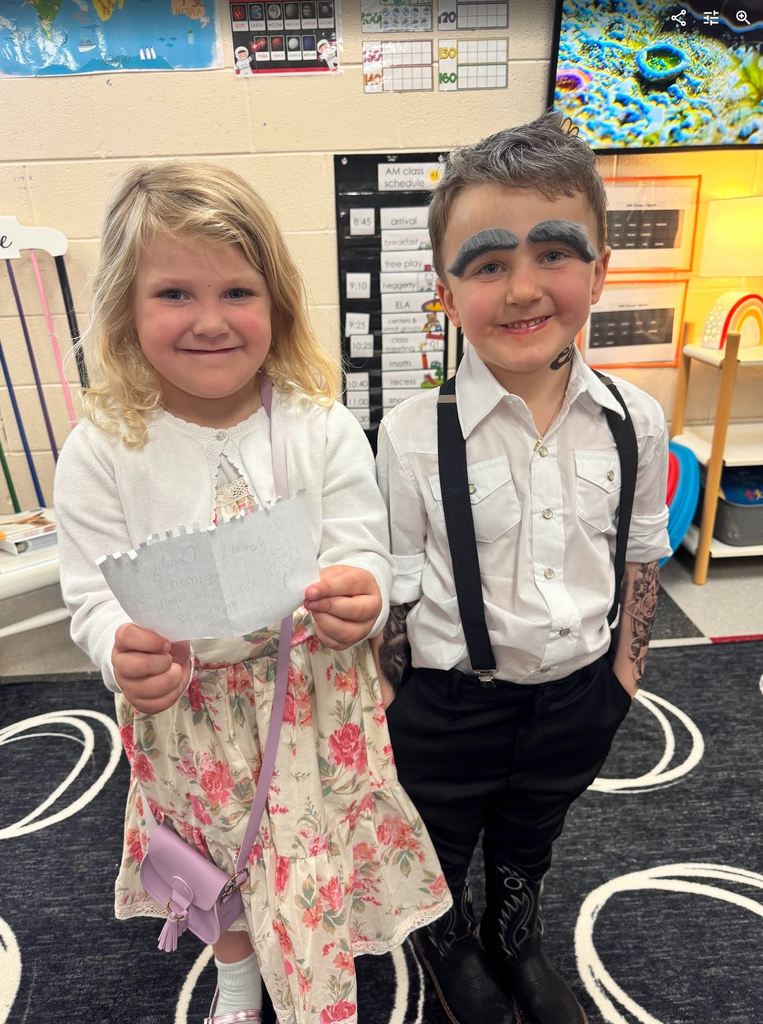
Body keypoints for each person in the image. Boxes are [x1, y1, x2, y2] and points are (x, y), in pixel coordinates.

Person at [54, 162, 450, 1024]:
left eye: (237, 290)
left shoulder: (320, 423)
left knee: (312, 855)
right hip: (185, 710)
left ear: (277, 303)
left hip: (310, 701)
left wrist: (363, 592)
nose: (208, 320)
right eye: (172, 294)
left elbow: (362, 548)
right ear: (125, 307)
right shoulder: (101, 448)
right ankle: (236, 970)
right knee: (210, 855)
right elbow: (88, 592)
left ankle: (316, 974)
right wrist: (114, 644)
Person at [374, 113, 670, 1024]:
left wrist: (623, 676)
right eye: (489, 262)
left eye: (555, 252)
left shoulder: (637, 418)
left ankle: (516, 932)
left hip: (578, 694)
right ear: (446, 286)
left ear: (601, 268)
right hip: (448, 705)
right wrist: (392, 706)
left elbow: (638, 554)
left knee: (532, 833)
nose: (523, 287)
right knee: (439, 838)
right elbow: (393, 587)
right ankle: (447, 936)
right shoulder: (410, 433)